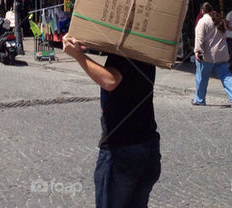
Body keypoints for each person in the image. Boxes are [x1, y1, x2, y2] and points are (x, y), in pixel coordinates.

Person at [62, 34, 161, 207]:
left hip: (122, 149)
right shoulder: (145, 48)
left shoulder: (125, 50)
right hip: (148, 145)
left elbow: (110, 80)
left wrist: (78, 55)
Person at [192, 2, 232, 108]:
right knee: (226, 76)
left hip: (208, 55)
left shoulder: (203, 21)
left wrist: (197, 51)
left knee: (202, 78)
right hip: (222, 53)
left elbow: (199, 38)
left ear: (202, 11)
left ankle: (200, 100)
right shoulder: (220, 20)